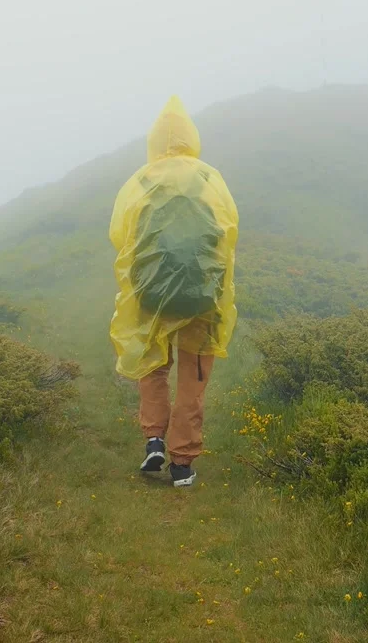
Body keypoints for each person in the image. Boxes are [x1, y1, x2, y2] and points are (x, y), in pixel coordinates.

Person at [109, 96, 238, 487]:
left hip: (152, 292)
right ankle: (182, 463)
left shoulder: (140, 181)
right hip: (201, 293)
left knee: (153, 365)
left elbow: (120, 234)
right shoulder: (208, 178)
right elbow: (229, 231)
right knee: (193, 376)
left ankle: (154, 439)